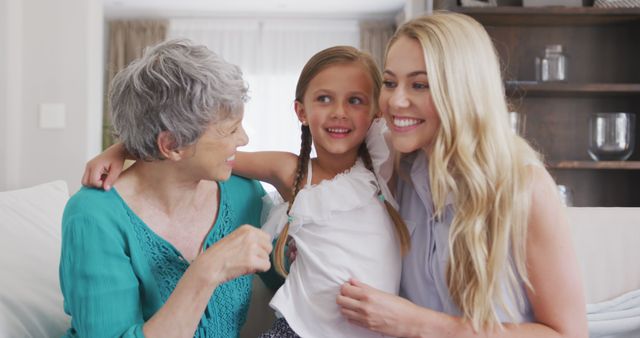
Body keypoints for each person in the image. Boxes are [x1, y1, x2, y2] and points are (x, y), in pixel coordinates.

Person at [82, 45, 411, 338]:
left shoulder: (382, 162)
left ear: (375, 111)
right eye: (324, 98)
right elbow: (186, 146)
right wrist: (128, 146)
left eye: (355, 101)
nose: (339, 111)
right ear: (301, 110)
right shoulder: (290, 171)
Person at [336, 12, 589, 338]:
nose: (395, 101)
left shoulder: (525, 187)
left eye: (420, 85)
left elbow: (569, 334)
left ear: (463, 91)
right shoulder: (396, 170)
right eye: (389, 83)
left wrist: (417, 324)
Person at [60, 39, 277, 338]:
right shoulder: (94, 217)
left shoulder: (242, 191)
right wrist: (205, 272)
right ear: (172, 145)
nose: (243, 140)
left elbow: (293, 281)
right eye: (229, 129)